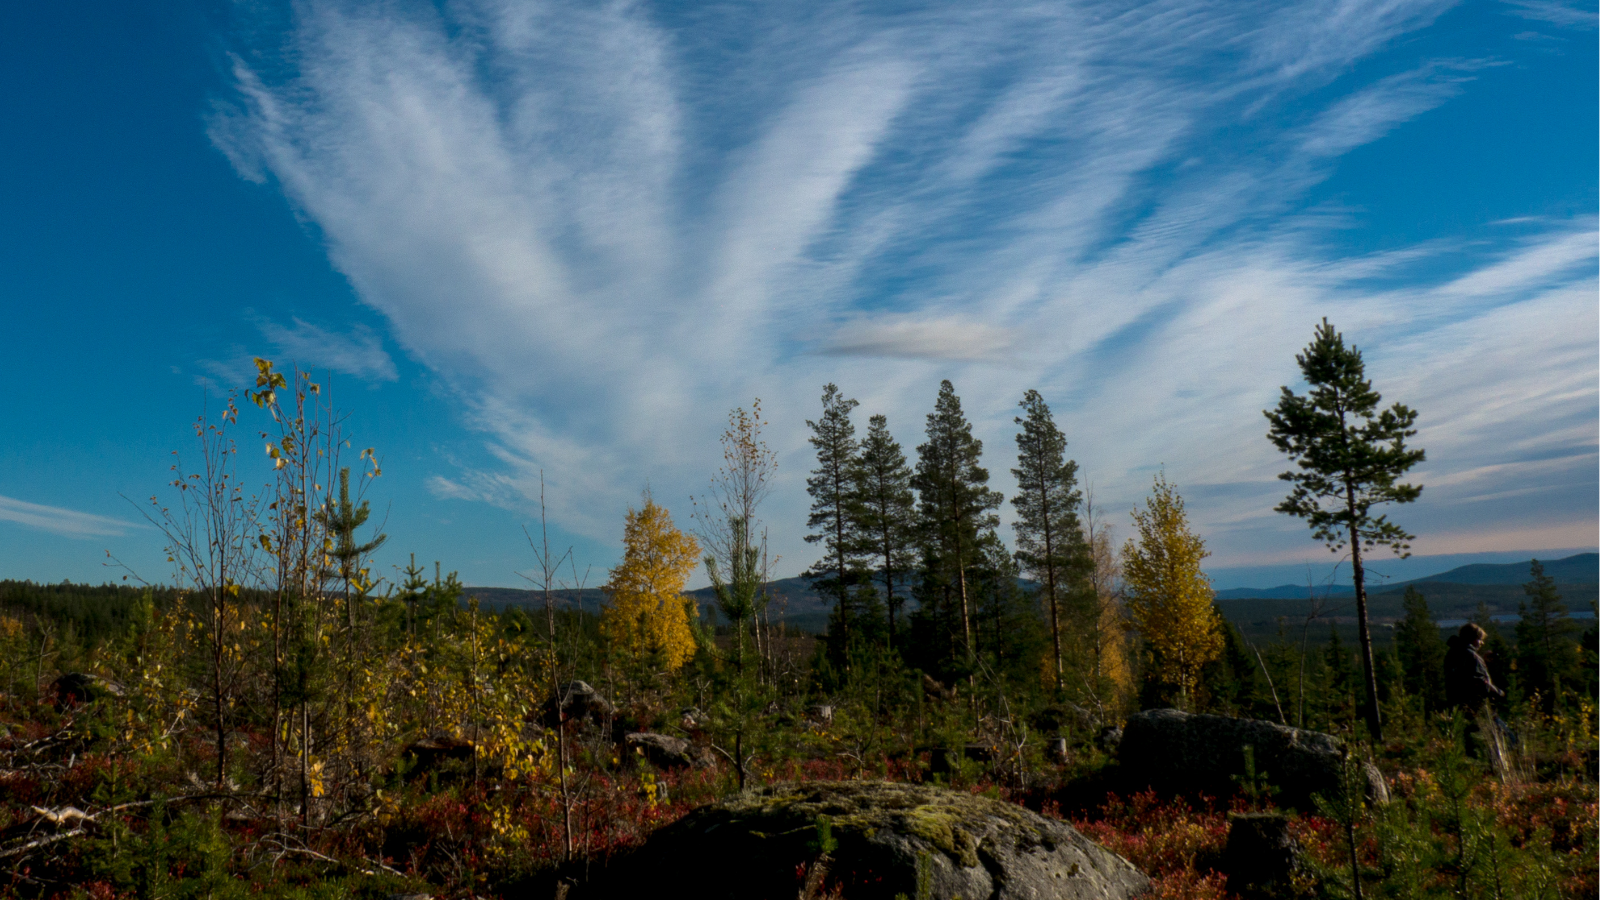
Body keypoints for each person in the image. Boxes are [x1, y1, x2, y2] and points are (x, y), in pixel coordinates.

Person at [1444, 622, 1504, 713]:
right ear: (1472, 638)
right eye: (1480, 639)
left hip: (1455, 704)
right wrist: (1498, 692)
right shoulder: (1471, 656)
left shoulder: (1452, 653)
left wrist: (1483, 663)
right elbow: (1478, 682)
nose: (1482, 643)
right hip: (1473, 706)